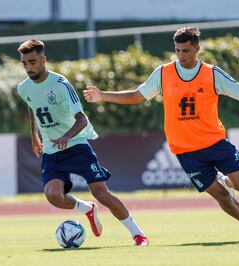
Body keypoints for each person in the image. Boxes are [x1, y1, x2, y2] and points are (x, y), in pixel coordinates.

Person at [83, 27, 239, 241]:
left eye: (186, 51)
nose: (181, 56)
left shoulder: (212, 74)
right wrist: (103, 96)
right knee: (221, 196)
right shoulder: (163, 73)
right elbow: (136, 95)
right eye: (178, 51)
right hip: (186, 151)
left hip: (215, 142)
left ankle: (226, 179)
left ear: (197, 49)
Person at [16, 39, 149, 246]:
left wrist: (67, 136)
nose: (28, 68)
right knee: (53, 196)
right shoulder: (23, 88)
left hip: (77, 145)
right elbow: (32, 107)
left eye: (32, 62)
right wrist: (34, 135)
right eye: (24, 63)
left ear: (43, 60)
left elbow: (82, 119)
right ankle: (87, 208)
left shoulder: (60, 85)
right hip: (52, 150)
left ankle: (138, 234)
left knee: (101, 193)